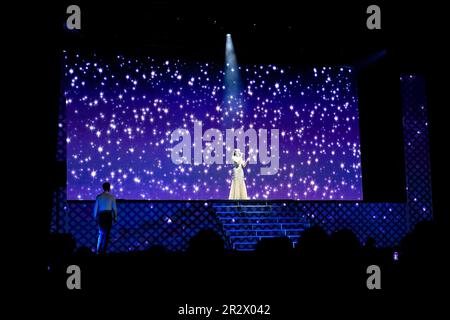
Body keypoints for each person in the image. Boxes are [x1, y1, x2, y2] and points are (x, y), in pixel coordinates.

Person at [93, 182, 117, 254]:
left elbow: (95, 208)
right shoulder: (112, 197)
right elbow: (114, 208)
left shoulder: (99, 197)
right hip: (108, 215)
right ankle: (103, 250)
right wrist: (115, 217)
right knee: (107, 234)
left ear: (103, 188)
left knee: (101, 233)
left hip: (101, 215)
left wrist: (95, 217)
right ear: (109, 188)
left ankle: (98, 250)